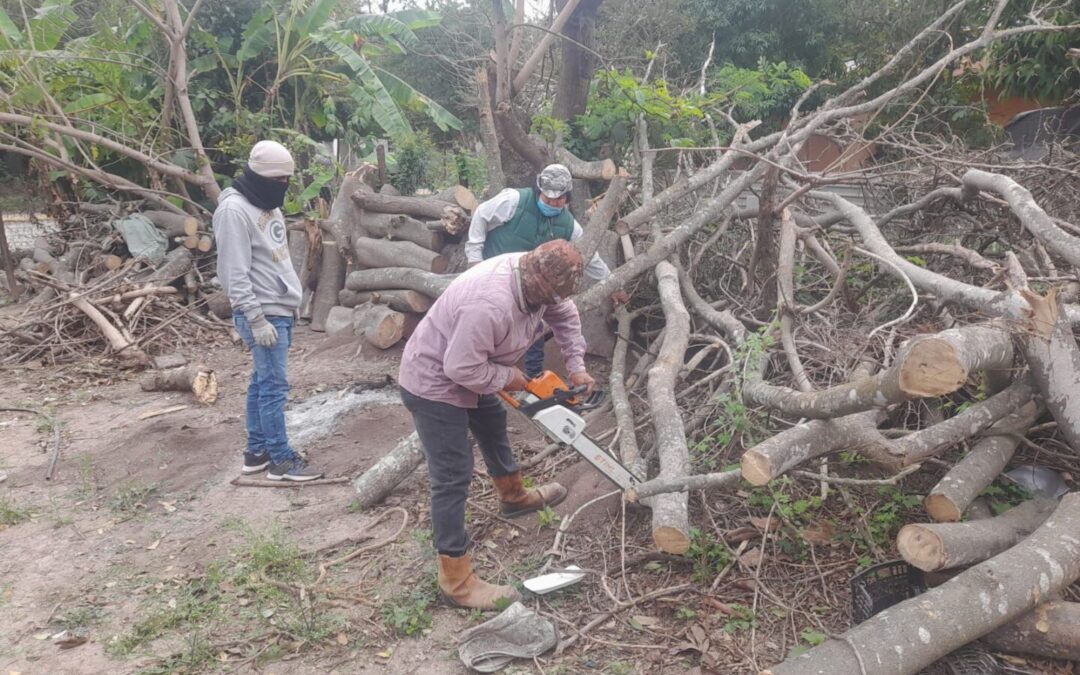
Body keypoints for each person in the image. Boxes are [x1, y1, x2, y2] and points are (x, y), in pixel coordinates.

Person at [398, 239, 595, 609]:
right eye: (549, 298)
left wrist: (577, 365)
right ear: (535, 281)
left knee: (492, 422)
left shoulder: (541, 279)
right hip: (434, 381)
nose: (552, 305)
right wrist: (509, 377)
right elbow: (459, 368)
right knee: (453, 473)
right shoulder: (489, 303)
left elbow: (565, 315)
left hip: (474, 363)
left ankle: (513, 496)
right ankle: (456, 581)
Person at [214, 140, 323, 482]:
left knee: (262, 384)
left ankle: (257, 452)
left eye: (288, 180)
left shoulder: (267, 204)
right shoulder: (233, 211)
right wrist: (257, 318)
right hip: (262, 313)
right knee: (274, 387)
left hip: (278, 309)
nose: (284, 187)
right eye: (279, 180)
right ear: (260, 176)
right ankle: (280, 461)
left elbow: (274, 257)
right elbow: (234, 273)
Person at [465, 163, 629, 378]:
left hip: (532, 287)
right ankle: (481, 372)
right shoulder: (513, 200)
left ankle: (532, 378)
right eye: (547, 198)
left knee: (534, 328)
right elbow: (482, 215)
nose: (552, 203)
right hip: (495, 278)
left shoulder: (569, 225)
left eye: (558, 199)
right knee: (486, 326)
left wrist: (612, 286)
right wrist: (474, 257)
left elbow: (589, 257)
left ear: (567, 198)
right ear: (538, 191)